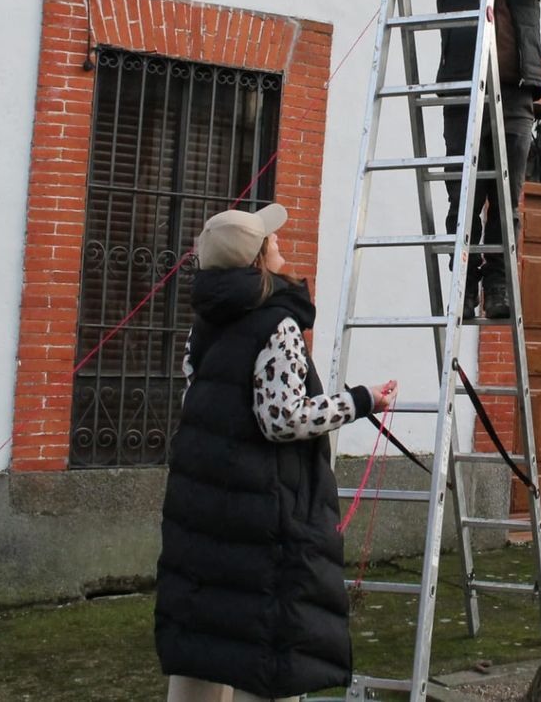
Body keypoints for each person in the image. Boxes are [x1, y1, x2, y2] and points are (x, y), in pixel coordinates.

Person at [155, 203, 396, 702]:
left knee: (205, 632)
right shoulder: (276, 324)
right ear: (259, 259)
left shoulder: (204, 324)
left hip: (203, 504)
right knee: (268, 643)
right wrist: (361, 400)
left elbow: (199, 400)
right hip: (264, 505)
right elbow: (281, 417)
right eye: (272, 239)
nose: (280, 243)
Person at [398, 0, 541, 319]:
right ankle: (465, 285)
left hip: (515, 97)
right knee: (464, 197)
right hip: (464, 96)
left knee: (507, 199)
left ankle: (499, 285)